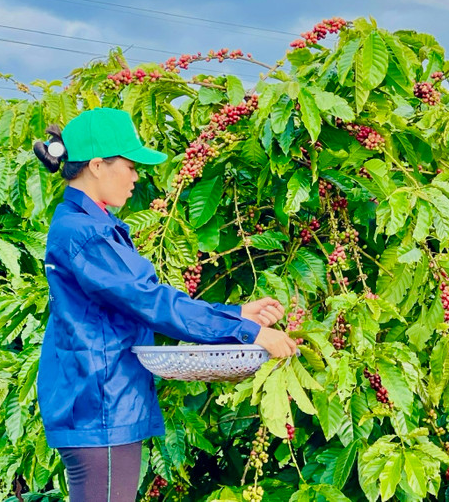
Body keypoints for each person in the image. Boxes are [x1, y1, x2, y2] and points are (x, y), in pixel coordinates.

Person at [33, 107, 298, 502]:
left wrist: (235, 313)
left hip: (98, 401)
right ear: (97, 166)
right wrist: (249, 331)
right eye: (130, 164)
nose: (137, 176)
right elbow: (151, 302)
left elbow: (138, 301)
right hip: (101, 405)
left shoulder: (87, 223)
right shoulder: (86, 233)